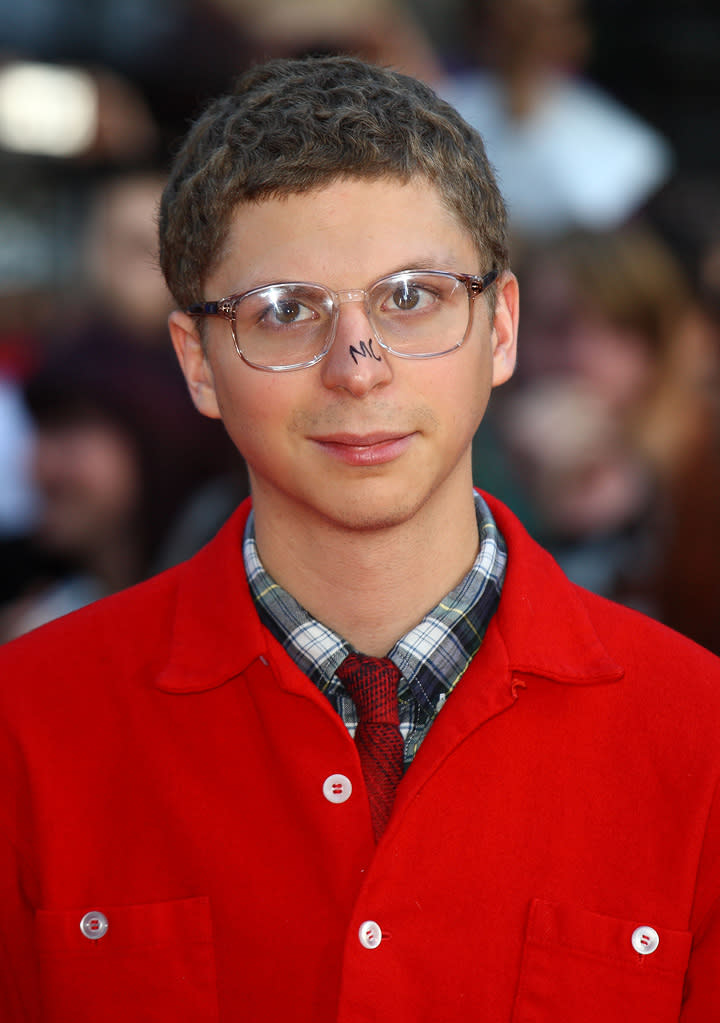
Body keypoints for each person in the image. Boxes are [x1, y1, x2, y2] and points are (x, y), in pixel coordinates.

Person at [0, 54, 719, 1023]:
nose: (357, 367)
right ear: (198, 363)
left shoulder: (700, 742)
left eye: (412, 296)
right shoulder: (27, 732)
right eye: (285, 312)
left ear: (499, 329)